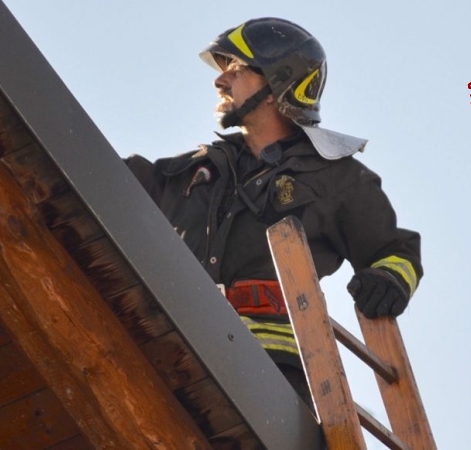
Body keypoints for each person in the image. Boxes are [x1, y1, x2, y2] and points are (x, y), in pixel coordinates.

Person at [125, 17, 422, 406]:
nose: (220, 81)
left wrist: (388, 279)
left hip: (273, 380)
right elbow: (104, 180)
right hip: (167, 350)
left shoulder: (336, 178)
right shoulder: (193, 171)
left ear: (275, 84)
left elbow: (395, 251)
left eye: (235, 69)